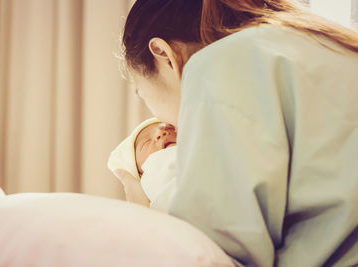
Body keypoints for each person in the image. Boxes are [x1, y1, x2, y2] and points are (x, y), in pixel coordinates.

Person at [114, 0, 358, 266]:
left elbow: (210, 254)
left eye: (142, 93)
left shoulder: (220, 65)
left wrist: (138, 209)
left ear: (163, 54)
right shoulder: (325, 42)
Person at [108, 118, 177, 211]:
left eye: (168, 128)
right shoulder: (151, 178)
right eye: (146, 143)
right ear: (140, 173)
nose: (160, 133)